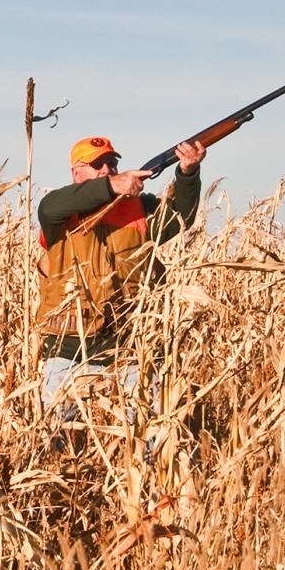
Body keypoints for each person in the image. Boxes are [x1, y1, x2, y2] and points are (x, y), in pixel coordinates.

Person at [35, 134, 205, 413]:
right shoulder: (60, 211)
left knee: (147, 435)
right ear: (76, 172)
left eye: (111, 163)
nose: (106, 169)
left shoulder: (140, 208)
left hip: (131, 349)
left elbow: (180, 220)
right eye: (97, 164)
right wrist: (111, 186)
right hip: (68, 351)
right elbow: (48, 207)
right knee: (56, 438)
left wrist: (188, 173)